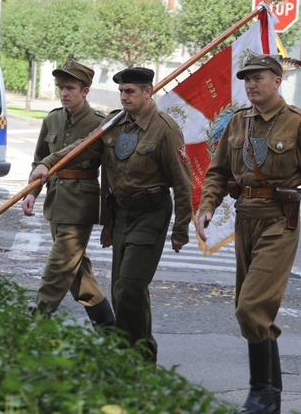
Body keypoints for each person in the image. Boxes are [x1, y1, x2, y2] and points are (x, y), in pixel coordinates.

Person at [196, 53, 301, 414]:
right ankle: (271, 397)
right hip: (244, 218)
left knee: (251, 308)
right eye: (247, 79)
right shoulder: (237, 122)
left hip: (280, 222)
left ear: (278, 81)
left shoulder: (297, 123)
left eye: (258, 78)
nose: (251, 84)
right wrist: (207, 206)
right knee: (251, 310)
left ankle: (261, 392)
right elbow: (217, 172)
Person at [29, 67, 192, 362]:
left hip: (151, 214)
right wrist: (47, 163)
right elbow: (82, 147)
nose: (124, 97)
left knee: (130, 287)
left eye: (130, 91)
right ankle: (138, 355)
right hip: (122, 215)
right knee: (122, 292)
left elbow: (182, 182)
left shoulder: (165, 129)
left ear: (148, 92)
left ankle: (135, 360)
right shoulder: (114, 123)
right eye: (121, 91)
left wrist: (182, 228)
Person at [21, 57, 115, 328]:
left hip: (80, 206)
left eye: (70, 88)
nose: (64, 93)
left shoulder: (99, 123)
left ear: (85, 91)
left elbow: (108, 175)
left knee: (60, 266)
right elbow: (40, 160)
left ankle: (36, 321)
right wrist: (31, 193)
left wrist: (108, 219)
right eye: (60, 87)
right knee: (77, 273)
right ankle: (110, 331)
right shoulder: (52, 119)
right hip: (55, 203)